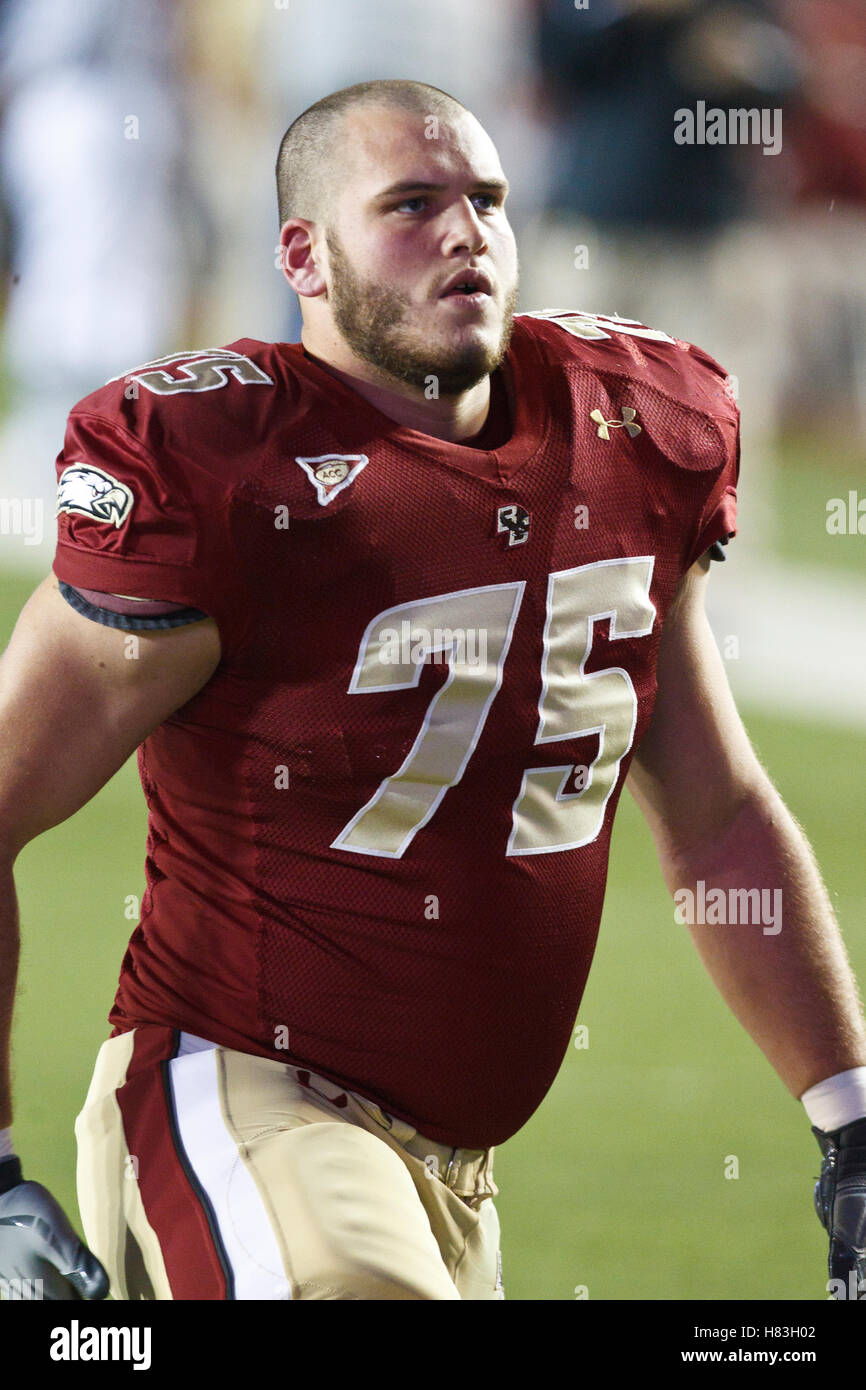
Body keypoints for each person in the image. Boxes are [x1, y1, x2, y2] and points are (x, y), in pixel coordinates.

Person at [0, 78, 864, 1302]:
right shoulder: (226, 471)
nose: (466, 232)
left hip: (457, 1172)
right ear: (302, 253)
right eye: (411, 203)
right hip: (239, 1096)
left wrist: (849, 1124)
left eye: (487, 199)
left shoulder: (634, 428)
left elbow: (716, 813)